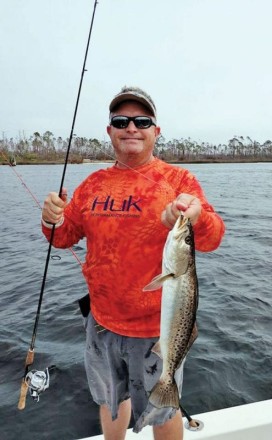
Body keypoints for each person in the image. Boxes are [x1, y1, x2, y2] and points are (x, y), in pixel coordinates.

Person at [41, 86, 225, 440]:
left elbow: (212, 238)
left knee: (162, 413)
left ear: (156, 131)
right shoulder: (93, 184)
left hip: (157, 331)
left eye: (142, 121)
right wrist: (51, 219)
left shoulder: (179, 181)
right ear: (109, 130)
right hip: (102, 323)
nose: (131, 128)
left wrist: (196, 217)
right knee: (111, 401)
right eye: (121, 121)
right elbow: (63, 237)